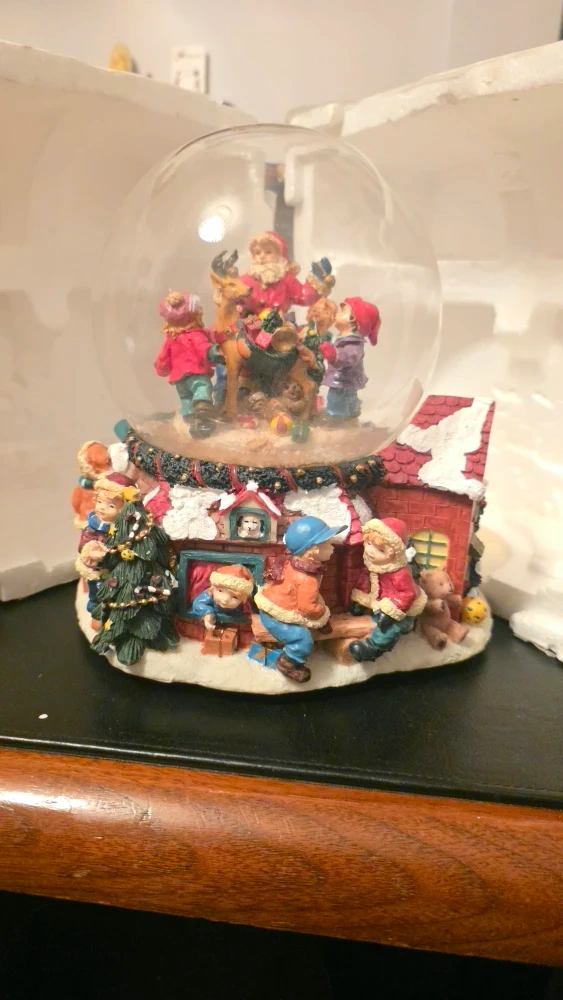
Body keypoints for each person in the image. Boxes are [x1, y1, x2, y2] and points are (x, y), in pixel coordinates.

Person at [254, 516, 345, 683]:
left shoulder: (293, 563)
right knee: (302, 639)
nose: (332, 547)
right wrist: (322, 611)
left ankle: (322, 625)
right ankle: (288, 663)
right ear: (313, 551)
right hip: (275, 616)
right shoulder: (307, 579)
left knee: (318, 604)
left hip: (275, 605)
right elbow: (307, 609)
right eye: (327, 544)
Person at [348, 518, 427, 662]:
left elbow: (408, 594)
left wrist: (390, 613)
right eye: (368, 544)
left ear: (394, 553)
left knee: (391, 627)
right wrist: (360, 599)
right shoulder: (372, 564)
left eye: (381, 550)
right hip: (382, 599)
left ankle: (374, 647)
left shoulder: (399, 573)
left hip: (405, 606)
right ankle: (405, 627)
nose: (371, 551)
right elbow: (366, 581)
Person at [154, 291, 222, 438]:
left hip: (179, 379)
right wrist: (214, 353)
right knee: (201, 390)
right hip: (196, 373)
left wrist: (161, 368)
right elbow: (203, 348)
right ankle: (203, 417)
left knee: (186, 398)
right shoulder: (195, 335)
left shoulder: (171, 339)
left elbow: (163, 359)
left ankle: (191, 419)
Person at [239, 232, 334, 316]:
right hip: (251, 323)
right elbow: (237, 298)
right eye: (257, 253)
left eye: (268, 252)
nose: (262, 256)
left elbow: (303, 297)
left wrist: (315, 281)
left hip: (279, 325)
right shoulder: (245, 280)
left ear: (279, 255)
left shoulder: (285, 280)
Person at [320, 297, 380, 421]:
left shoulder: (354, 343)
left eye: (343, 312)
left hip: (342, 382)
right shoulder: (342, 338)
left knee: (336, 402)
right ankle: (352, 413)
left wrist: (334, 355)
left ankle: (336, 422)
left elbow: (351, 357)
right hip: (346, 382)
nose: (338, 313)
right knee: (349, 399)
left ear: (353, 321)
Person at [192, 565, 254, 631]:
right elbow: (198, 603)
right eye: (220, 591)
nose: (225, 599)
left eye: (235, 597)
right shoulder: (210, 595)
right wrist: (208, 613)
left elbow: (249, 613)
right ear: (213, 588)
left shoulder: (245, 606)